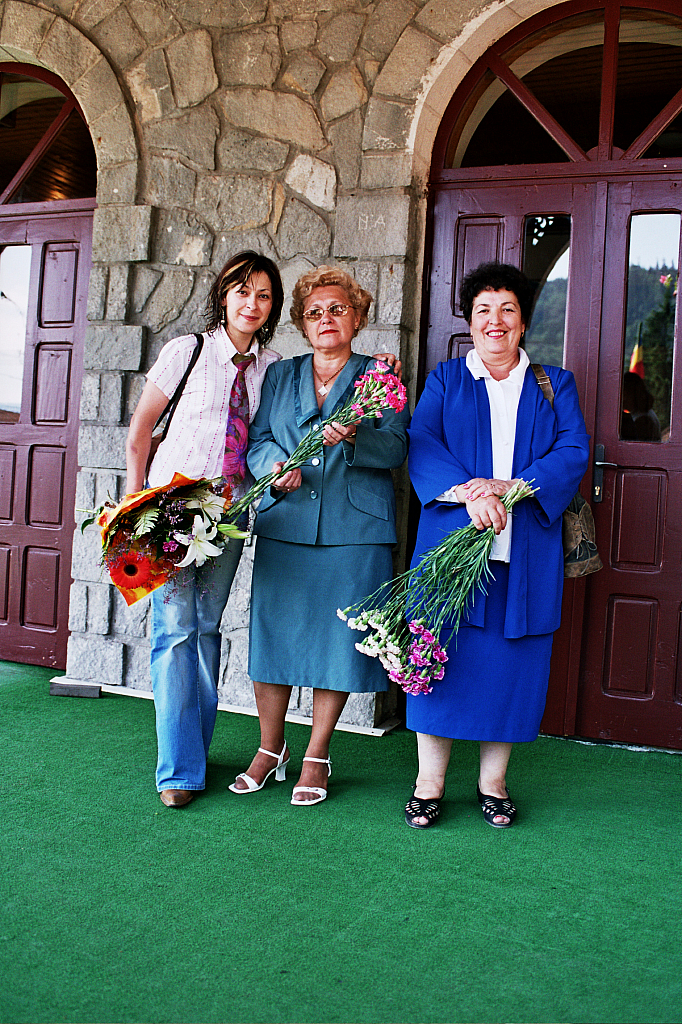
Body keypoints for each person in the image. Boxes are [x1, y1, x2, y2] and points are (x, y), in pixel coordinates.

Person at [404, 261, 590, 829]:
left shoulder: (554, 385)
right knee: (439, 662)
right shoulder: (445, 380)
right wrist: (470, 496)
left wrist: (512, 488)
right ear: (469, 319)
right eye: (483, 309)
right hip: (453, 548)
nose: (495, 320)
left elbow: (573, 450)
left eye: (507, 309)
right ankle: (428, 783)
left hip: (523, 552)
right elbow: (423, 443)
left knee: (511, 668)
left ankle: (493, 783)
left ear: (524, 321)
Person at [228, 265, 410, 805]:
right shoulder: (280, 375)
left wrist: (357, 438)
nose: (326, 319)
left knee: (335, 645)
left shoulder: (381, 376)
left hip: (356, 530)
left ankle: (317, 754)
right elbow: (256, 439)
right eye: (314, 313)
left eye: (337, 309)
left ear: (357, 316)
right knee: (275, 636)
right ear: (301, 325)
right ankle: (270, 748)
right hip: (286, 520)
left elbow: (398, 449)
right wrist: (275, 466)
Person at [125, 251, 284, 808]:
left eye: (263, 295)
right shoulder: (186, 351)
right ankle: (178, 772)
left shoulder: (272, 366)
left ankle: (193, 750)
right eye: (242, 291)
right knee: (172, 631)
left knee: (206, 631)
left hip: (231, 514)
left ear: (272, 306)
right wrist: (135, 503)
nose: (251, 303)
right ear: (223, 294)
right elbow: (140, 433)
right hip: (172, 510)